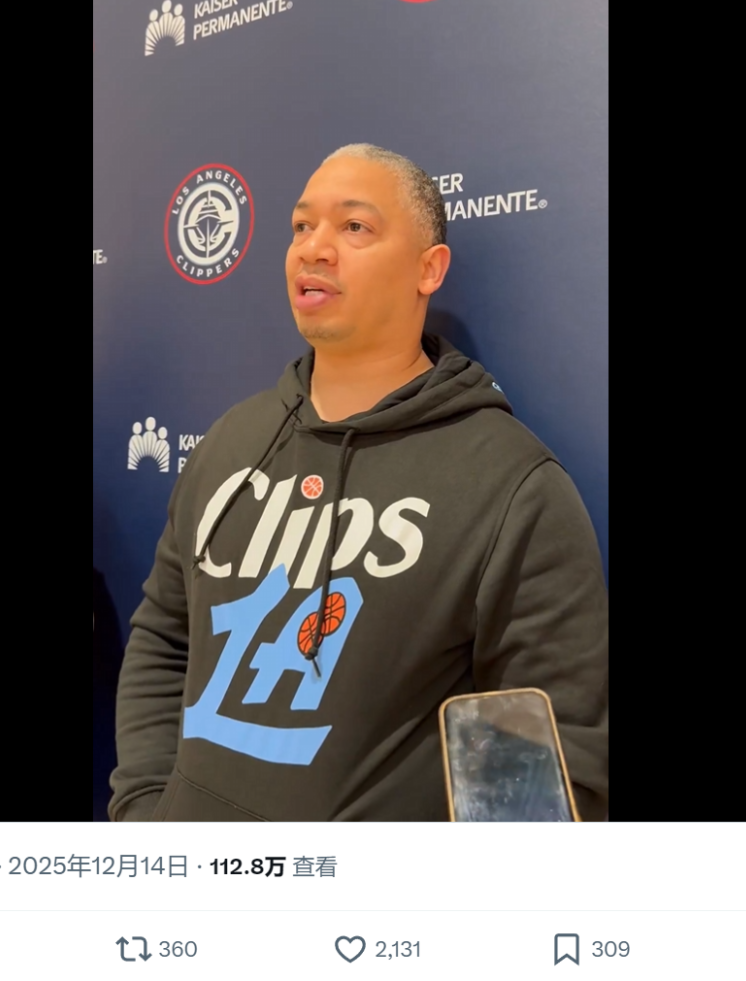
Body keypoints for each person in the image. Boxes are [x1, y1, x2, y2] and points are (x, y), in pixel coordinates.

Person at [109, 144, 608, 822]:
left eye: (354, 227)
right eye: (301, 226)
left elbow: (549, 775)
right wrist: (146, 813)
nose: (314, 249)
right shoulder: (230, 442)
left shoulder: (513, 486)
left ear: (429, 268)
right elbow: (166, 639)